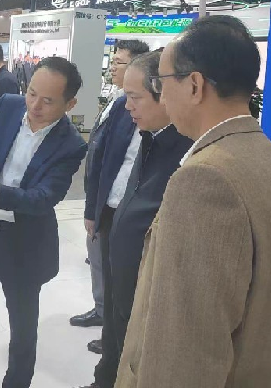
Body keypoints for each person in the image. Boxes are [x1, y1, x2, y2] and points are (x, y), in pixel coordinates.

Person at [116, 16, 271, 388]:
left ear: (194, 85)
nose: (162, 96)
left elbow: (184, 351)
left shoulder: (205, 180)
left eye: (162, 82)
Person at [0, 57, 88, 388]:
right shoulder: (9, 106)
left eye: (48, 101)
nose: (35, 106)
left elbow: (42, 198)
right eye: (32, 93)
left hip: (24, 243)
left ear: (70, 104)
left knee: (22, 329)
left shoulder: (71, 145)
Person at [79, 52, 191, 388]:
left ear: (165, 92)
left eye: (135, 97)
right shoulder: (149, 135)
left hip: (148, 271)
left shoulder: (187, 150)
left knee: (134, 331)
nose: (128, 106)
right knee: (115, 321)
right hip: (119, 243)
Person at [71, 40, 149, 353]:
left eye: (120, 62)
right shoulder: (117, 101)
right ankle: (104, 314)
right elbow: (103, 154)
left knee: (121, 273)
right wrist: (93, 207)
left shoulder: (140, 110)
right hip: (107, 200)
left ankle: (116, 335)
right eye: (113, 61)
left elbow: (119, 159)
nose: (113, 67)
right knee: (100, 262)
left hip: (124, 205)